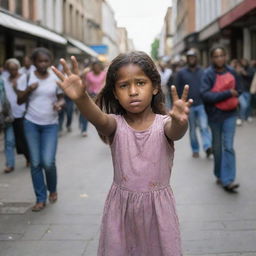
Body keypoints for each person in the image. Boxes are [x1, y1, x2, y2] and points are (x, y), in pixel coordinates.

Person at [52, 51, 193, 255]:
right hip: (121, 211)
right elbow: (98, 119)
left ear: (154, 87)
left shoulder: (164, 125)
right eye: (124, 85)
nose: (133, 91)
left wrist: (181, 121)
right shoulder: (115, 124)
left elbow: (176, 131)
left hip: (158, 212)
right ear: (116, 93)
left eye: (140, 83)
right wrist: (81, 98)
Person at [17, 47, 65, 212]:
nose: (43, 64)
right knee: (36, 163)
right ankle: (40, 198)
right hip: (31, 123)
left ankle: (52, 189)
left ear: (50, 61)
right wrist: (29, 89)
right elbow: (19, 101)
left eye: (46, 61)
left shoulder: (55, 77)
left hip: (50, 124)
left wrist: (59, 104)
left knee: (48, 162)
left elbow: (61, 98)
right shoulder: (27, 76)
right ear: (34, 61)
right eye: (39, 61)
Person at [201, 46, 242, 193]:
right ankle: (219, 173)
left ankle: (228, 180)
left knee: (228, 146)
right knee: (217, 147)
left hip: (230, 114)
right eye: (216, 56)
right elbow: (205, 95)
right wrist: (227, 93)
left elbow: (240, 88)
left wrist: (233, 94)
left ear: (225, 56)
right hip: (215, 115)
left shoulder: (232, 71)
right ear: (212, 58)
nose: (219, 58)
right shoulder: (208, 74)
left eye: (221, 55)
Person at [175, 49, 212, 158]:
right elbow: (176, 89)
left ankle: (207, 146)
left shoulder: (203, 71)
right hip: (188, 106)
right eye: (189, 57)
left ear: (197, 58)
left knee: (204, 126)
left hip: (201, 104)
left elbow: (207, 86)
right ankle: (195, 149)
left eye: (193, 57)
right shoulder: (181, 73)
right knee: (192, 129)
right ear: (187, 59)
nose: (191, 59)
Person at [2, 58, 30, 173]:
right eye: (10, 69)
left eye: (14, 69)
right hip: (8, 115)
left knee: (22, 140)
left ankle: (29, 157)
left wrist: (15, 87)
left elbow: (25, 95)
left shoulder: (24, 77)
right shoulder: (4, 80)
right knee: (9, 141)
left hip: (22, 114)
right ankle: (10, 164)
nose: (12, 71)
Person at [79, 61, 106, 137]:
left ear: (100, 67)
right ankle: (84, 129)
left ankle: (102, 131)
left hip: (100, 96)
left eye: (98, 66)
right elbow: (86, 84)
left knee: (99, 113)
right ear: (93, 68)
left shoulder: (104, 74)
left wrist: (101, 92)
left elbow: (105, 83)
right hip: (90, 95)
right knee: (85, 112)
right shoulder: (88, 74)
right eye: (95, 67)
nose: (96, 68)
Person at [235, 59, 254, 125]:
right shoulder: (236, 72)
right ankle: (240, 117)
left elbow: (249, 76)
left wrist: (243, 72)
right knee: (243, 105)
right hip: (240, 91)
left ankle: (246, 116)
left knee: (247, 105)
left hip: (248, 90)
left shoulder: (250, 69)